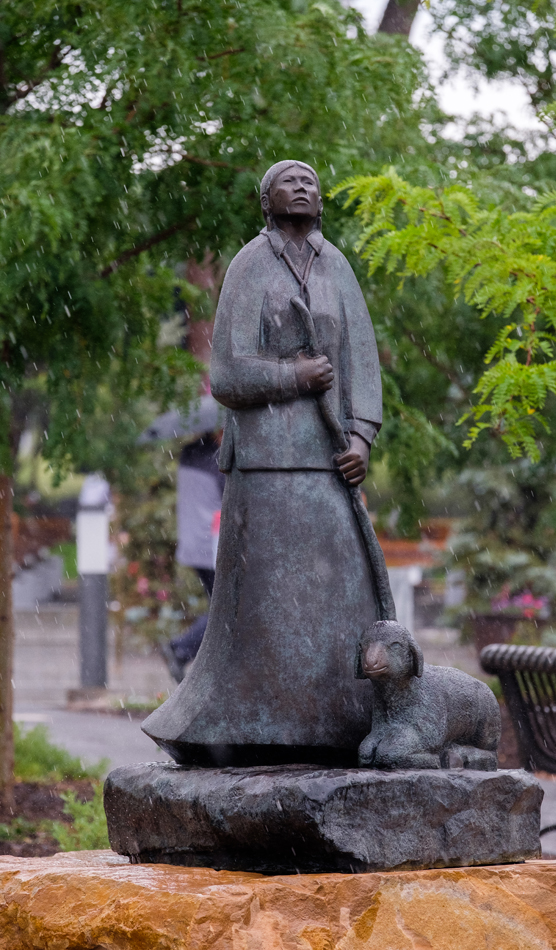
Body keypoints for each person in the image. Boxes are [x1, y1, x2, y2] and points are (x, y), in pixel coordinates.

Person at [143, 160, 385, 767]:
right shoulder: (251, 267)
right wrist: (293, 375)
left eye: (310, 182)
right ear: (266, 200)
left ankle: (342, 719)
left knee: (340, 596)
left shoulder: (337, 268)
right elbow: (226, 373)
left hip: (330, 465)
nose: (301, 187)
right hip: (266, 465)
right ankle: (246, 726)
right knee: (262, 603)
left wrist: (360, 439)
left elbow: (361, 363)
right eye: (288, 181)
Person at [160, 432, 224, 683]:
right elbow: (234, 496)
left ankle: (185, 651)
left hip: (193, 543)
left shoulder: (191, 453)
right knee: (227, 611)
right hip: (212, 545)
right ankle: (181, 648)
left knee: (221, 607)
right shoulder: (216, 459)